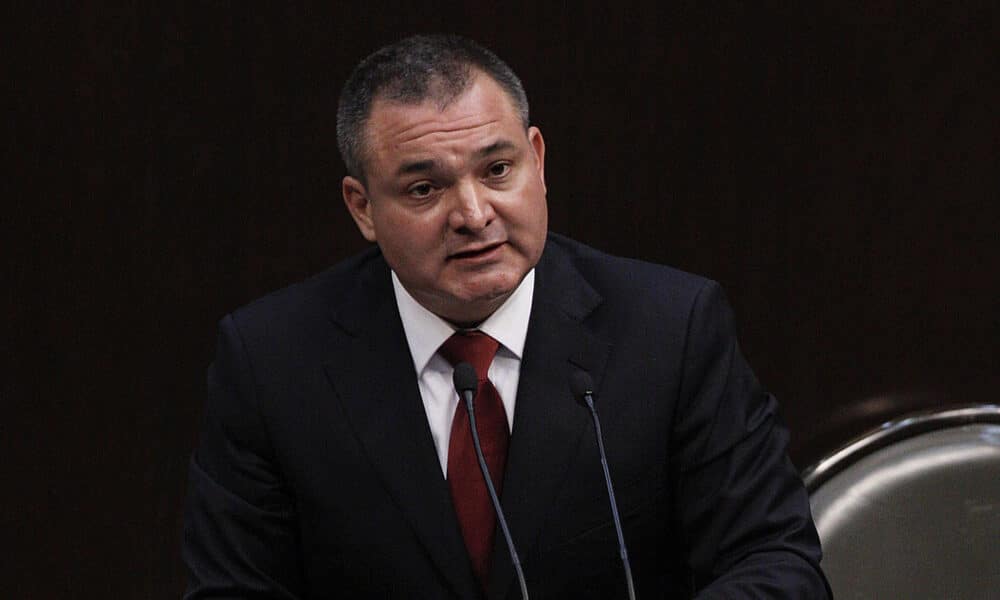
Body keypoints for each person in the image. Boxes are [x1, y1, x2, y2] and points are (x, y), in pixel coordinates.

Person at [182, 34, 830, 599]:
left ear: (538, 160)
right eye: (423, 189)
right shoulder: (273, 361)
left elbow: (775, 563)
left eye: (497, 170)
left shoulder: (671, 329)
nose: (473, 213)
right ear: (362, 209)